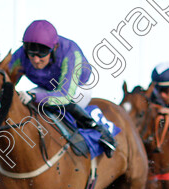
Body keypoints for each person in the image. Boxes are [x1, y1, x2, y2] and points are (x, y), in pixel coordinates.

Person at [9, 19, 115, 157]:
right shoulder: (21, 55)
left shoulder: (70, 53)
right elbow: (7, 82)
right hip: (47, 87)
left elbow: (65, 96)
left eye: (42, 54)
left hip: (77, 89)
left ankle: (97, 129)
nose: (35, 59)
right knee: (24, 101)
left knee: (63, 102)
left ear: (54, 48)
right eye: (32, 54)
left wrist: (35, 97)